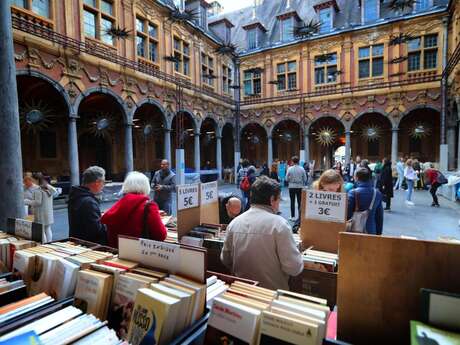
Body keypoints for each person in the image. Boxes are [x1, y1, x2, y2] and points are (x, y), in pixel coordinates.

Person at [220, 176, 303, 290]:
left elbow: (225, 259)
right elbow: (294, 268)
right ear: (272, 199)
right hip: (271, 295)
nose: (279, 204)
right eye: (278, 199)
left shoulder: (234, 223)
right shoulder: (279, 225)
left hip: (240, 292)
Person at [101, 172, 167, 248]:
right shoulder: (149, 206)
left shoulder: (118, 204)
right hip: (139, 254)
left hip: (117, 252)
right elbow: (161, 236)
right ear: (145, 186)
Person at [68, 166, 107, 244]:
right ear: (97, 182)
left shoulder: (76, 195)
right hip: (89, 245)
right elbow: (96, 230)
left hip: (77, 241)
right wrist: (107, 222)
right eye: (103, 182)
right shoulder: (89, 202)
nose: (103, 185)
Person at [347, 168, 383, 235]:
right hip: (371, 230)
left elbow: (347, 214)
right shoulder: (377, 193)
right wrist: (379, 233)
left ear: (357, 178)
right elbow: (379, 216)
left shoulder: (352, 193)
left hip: (354, 229)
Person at [24, 173, 57, 242]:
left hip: (41, 213)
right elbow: (55, 192)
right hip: (48, 212)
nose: (32, 181)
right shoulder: (48, 187)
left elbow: (37, 202)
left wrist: (26, 201)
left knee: (41, 231)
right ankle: (49, 243)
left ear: (36, 180)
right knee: (48, 228)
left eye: (33, 179)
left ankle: (44, 245)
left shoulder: (38, 190)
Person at [286, 156, 307, 220]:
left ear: (292, 161)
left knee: (292, 202)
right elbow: (305, 179)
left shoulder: (289, 169)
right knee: (299, 202)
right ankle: (300, 217)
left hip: (291, 187)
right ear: (298, 161)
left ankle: (292, 216)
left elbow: (286, 179)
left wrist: (290, 180)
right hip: (300, 187)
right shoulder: (302, 169)